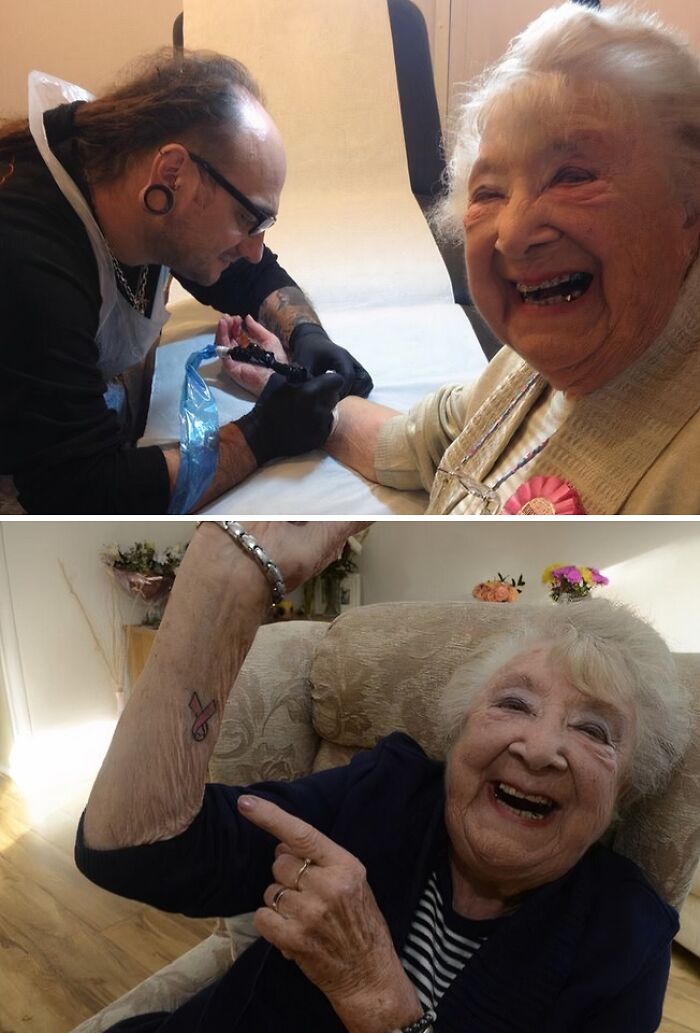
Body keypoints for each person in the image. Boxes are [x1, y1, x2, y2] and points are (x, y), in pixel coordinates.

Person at [75, 520, 691, 1033]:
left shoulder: (626, 940)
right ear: (459, 736)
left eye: (594, 732)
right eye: (513, 704)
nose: (539, 749)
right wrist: (224, 576)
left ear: (624, 790)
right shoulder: (388, 791)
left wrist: (373, 993)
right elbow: (137, 849)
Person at [233, 2, 700, 515]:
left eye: (573, 177)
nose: (513, 235)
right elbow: (409, 443)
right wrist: (288, 384)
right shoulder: (522, 375)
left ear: (690, 203)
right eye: (489, 192)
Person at [0, 50, 371, 514]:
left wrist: (307, 334)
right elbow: (85, 494)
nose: (255, 249)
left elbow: (251, 275)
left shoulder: (124, 175)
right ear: (173, 173)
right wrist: (261, 435)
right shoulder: (29, 262)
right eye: (247, 219)